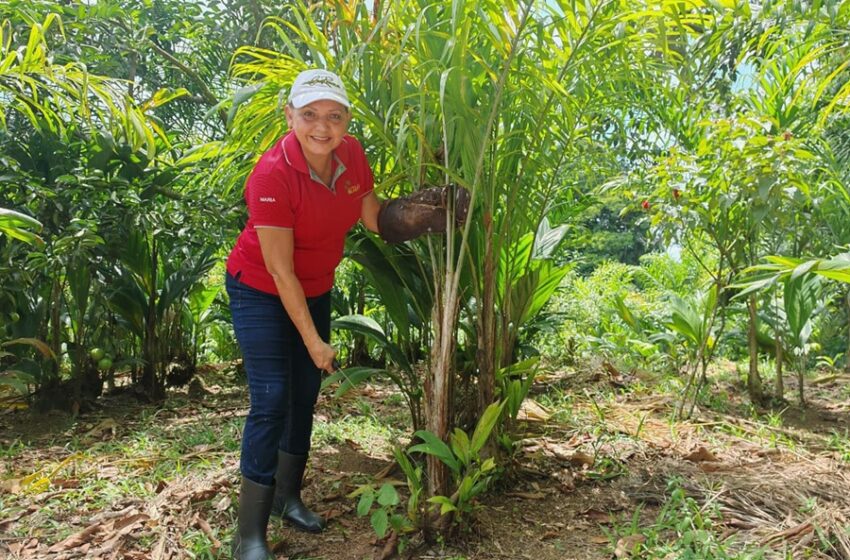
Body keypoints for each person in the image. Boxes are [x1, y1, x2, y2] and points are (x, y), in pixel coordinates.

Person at [225, 68, 469, 560]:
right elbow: (279, 271)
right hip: (260, 288)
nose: (322, 127)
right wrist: (315, 342)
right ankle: (248, 534)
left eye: (333, 116)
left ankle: (288, 498)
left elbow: (375, 217)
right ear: (290, 115)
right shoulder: (272, 175)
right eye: (310, 115)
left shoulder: (352, 155)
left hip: (314, 287)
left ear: (346, 121)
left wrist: (422, 214)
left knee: (304, 395)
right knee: (273, 398)